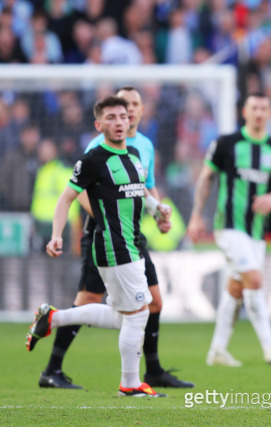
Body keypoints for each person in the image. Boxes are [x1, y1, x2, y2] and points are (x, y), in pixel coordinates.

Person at [36, 87, 193, 390]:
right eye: (119, 110)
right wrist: (103, 217)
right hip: (107, 236)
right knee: (97, 302)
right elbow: (76, 191)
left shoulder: (141, 147)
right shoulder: (98, 149)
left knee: (149, 305)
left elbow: (143, 188)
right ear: (102, 122)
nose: (127, 113)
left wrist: (159, 213)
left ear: (141, 110)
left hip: (134, 236)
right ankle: (55, 367)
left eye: (132, 106)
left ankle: (153, 370)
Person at [187, 94, 271, 367]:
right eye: (253, 107)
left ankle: (217, 351)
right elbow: (205, 179)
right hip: (229, 227)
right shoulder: (226, 143)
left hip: (256, 231)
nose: (258, 112)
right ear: (245, 111)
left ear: (269, 113)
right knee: (255, 281)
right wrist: (196, 216)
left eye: (263, 108)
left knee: (235, 288)